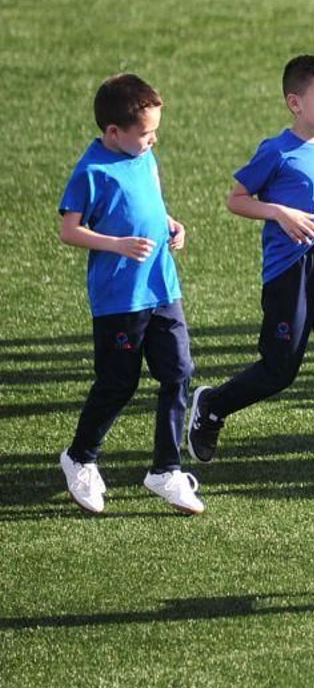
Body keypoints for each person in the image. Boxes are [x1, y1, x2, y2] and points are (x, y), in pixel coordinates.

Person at [187, 56, 314, 494]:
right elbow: (238, 199)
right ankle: (212, 405)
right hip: (291, 271)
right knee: (280, 370)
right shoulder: (276, 151)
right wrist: (278, 212)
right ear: (294, 103)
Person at [57, 73, 204, 515]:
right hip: (120, 298)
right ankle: (80, 457)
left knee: (178, 373)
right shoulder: (92, 171)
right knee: (118, 383)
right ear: (113, 132)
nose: (153, 140)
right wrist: (116, 244)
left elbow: (152, 203)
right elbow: (69, 231)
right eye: (146, 134)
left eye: (156, 131)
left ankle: (166, 469)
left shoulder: (143, 157)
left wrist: (171, 225)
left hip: (162, 287)